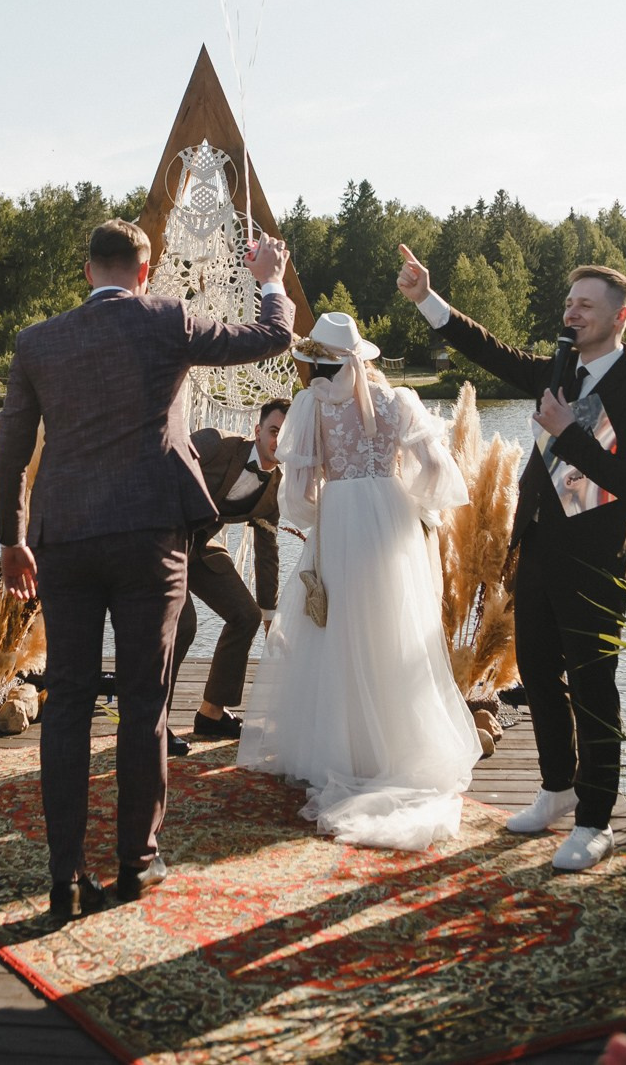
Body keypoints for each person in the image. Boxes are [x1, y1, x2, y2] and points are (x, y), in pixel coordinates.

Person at [0, 218, 293, 921]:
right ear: (145, 272)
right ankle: (136, 863)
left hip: (61, 536)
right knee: (144, 701)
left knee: (66, 701)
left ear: (88, 273)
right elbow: (271, 336)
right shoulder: (168, 321)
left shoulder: (37, 342)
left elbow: (9, 452)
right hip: (149, 535)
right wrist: (270, 277)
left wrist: (11, 540)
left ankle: (63, 876)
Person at [397, 245, 626, 872]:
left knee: (594, 692)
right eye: (569, 303)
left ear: (619, 317)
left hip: (594, 569)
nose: (572, 314)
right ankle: (556, 790)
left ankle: (596, 821)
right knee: (537, 676)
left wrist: (568, 430)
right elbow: (491, 351)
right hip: (535, 555)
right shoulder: (559, 371)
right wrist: (428, 299)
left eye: (585, 305)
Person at [237, 312, 482, 851]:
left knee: (337, 629)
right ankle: (391, 746)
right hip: (389, 520)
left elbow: (298, 495)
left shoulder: (312, 406)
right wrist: (407, 500)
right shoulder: (399, 403)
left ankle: (340, 748)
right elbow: (437, 474)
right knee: (392, 627)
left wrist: (327, 502)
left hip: (342, 518)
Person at [166, 399, 290, 753]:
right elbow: (161, 468)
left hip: (201, 549)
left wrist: (270, 616)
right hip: (161, 542)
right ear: (257, 431)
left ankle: (211, 713)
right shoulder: (214, 443)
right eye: (273, 431)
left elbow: (267, 552)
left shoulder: (276, 487)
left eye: (286, 434)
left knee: (245, 615)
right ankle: (152, 727)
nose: (278, 441)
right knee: (183, 624)